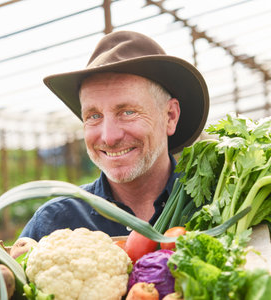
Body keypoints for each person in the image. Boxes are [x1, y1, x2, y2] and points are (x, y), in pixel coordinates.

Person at [20, 30, 209, 240]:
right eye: (94, 116)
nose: (109, 137)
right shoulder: (53, 224)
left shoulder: (219, 204)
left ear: (170, 116)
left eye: (128, 112)